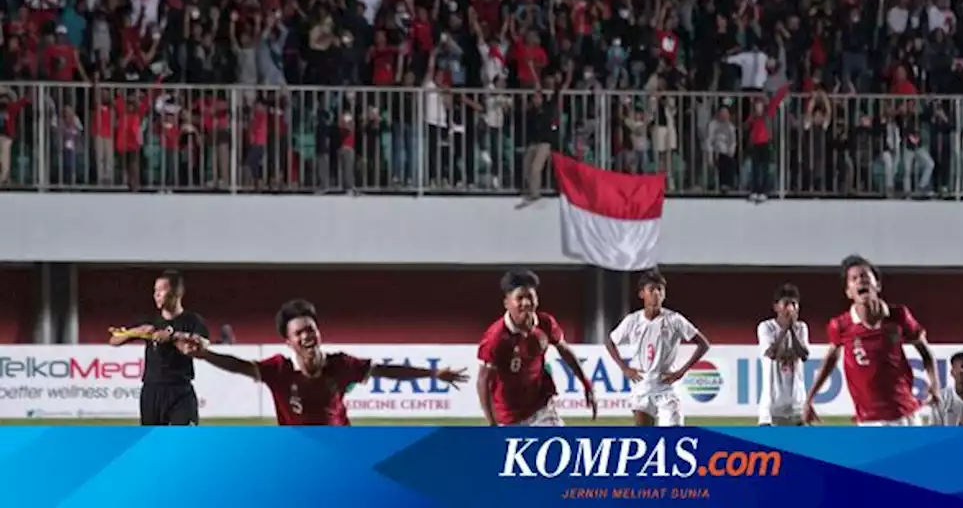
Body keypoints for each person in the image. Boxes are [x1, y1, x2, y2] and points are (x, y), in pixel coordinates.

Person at [174, 299, 468, 425]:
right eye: (299, 332)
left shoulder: (341, 365)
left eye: (311, 329)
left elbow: (385, 370)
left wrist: (433, 373)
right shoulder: (278, 370)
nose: (307, 336)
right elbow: (239, 365)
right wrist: (204, 354)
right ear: (288, 341)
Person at [803, 255, 940, 426]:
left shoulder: (899, 316)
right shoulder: (840, 325)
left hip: (905, 414)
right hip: (868, 421)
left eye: (865, 276)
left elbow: (925, 352)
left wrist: (935, 385)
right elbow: (831, 358)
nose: (860, 280)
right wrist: (810, 398)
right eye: (854, 279)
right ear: (848, 292)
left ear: (878, 285)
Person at [477, 269, 597, 426]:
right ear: (507, 303)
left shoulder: (545, 323)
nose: (526, 303)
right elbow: (483, 381)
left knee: (559, 446)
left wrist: (586, 383)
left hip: (541, 406)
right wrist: (492, 424)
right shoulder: (496, 338)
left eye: (530, 297)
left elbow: (565, 351)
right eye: (519, 298)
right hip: (508, 416)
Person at [604, 268, 711, 427]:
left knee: (672, 438)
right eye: (651, 289)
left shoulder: (675, 320)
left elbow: (704, 344)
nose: (656, 294)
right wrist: (624, 368)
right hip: (642, 386)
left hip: (666, 388)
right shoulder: (632, 320)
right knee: (645, 437)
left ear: (664, 294)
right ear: (642, 294)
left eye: (660, 289)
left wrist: (681, 371)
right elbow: (610, 341)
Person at [108, 270, 209, 426]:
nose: (156, 295)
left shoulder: (192, 320)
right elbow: (114, 340)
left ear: (177, 293)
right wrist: (137, 331)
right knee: (152, 444)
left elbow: (203, 344)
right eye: (155, 291)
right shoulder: (149, 320)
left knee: (184, 441)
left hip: (180, 390)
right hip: (152, 390)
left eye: (161, 290)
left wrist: (173, 335)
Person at [756, 284, 809, 426]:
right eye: (786, 304)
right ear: (776, 307)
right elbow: (771, 353)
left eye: (794, 304)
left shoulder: (801, 328)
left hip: (796, 402)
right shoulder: (766, 327)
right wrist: (785, 328)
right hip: (772, 404)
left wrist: (792, 328)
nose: (790, 308)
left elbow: (804, 355)